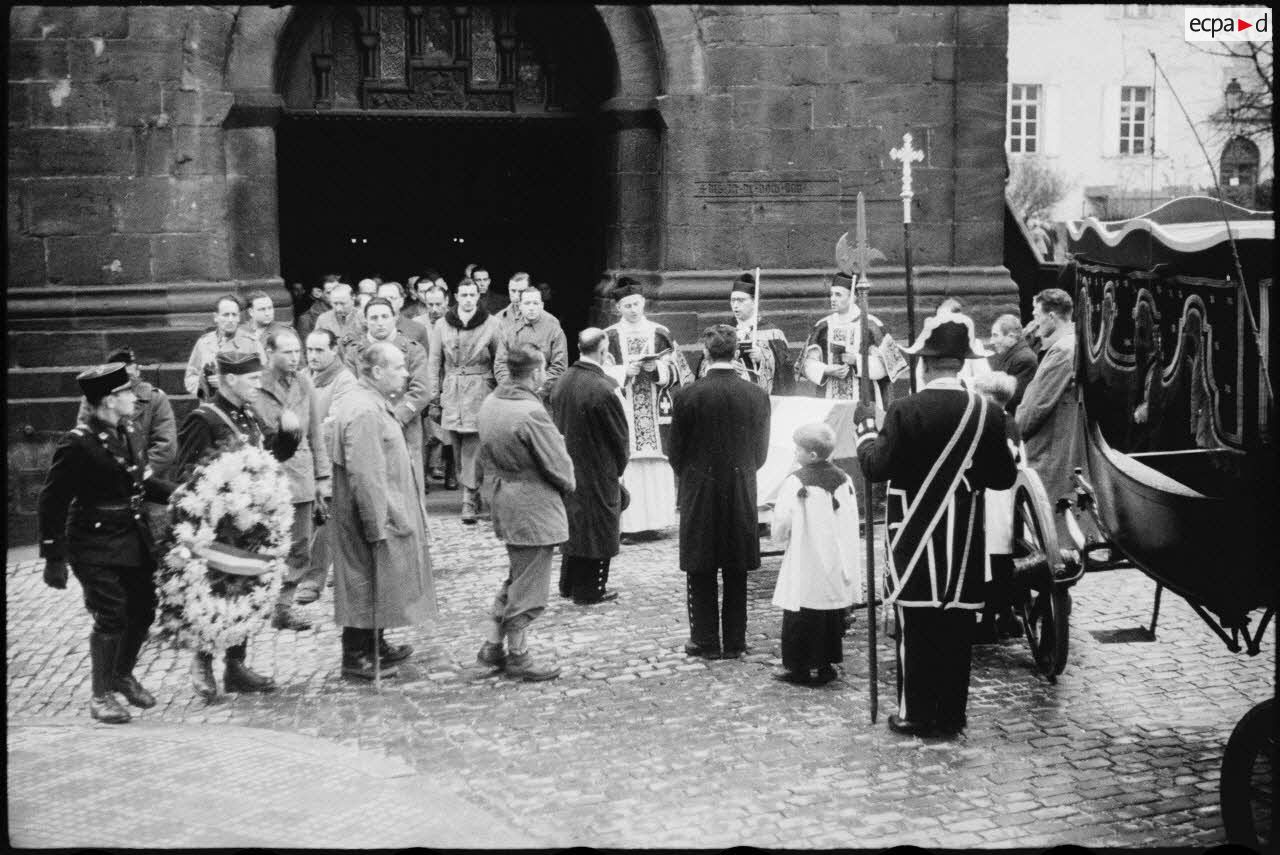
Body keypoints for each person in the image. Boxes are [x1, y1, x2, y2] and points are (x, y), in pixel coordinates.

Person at [855, 315, 1017, 736]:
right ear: (961, 366)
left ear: (925, 366)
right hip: (963, 539)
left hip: (913, 534)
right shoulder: (987, 412)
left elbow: (876, 467)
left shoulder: (903, 409)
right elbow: (1003, 478)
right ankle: (951, 715)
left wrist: (865, 431)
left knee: (917, 626)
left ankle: (916, 713)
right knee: (958, 628)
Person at [38, 363, 176, 723]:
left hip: (130, 534)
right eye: (128, 392)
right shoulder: (78, 443)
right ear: (109, 400)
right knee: (111, 612)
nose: (135, 397)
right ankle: (100, 696)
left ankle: (121, 673)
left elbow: (141, 479)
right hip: (93, 541)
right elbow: (51, 501)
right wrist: (54, 556)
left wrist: (182, 494)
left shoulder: (127, 430)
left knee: (144, 607)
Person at [174, 351, 302, 701]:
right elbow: (185, 475)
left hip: (249, 525)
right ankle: (202, 663)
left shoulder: (247, 414)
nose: (258, 385)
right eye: (252, 379)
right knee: (214, 594)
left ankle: (236, 666)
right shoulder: (203, 419)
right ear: (230, 380)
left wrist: (289, 437)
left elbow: (264, 460)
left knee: (244, 592)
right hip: (218, 529)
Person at [328, 342, 438, 680]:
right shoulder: (364, 410)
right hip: (371, 514)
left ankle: (376, 643)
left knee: (380, 579)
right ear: (377, 372)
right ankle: (357, 655)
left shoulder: (372, 402)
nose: (406, 374)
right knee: (363, 580)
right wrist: (376, 525)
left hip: (384, 508)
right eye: (399, 368)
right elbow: (366, 474)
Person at [669, 324, 772, 660]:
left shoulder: (687, 395)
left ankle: (705, 639)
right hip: (740, 486)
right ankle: (736, 639)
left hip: (700, 489)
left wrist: (693, 476)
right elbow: (761, 453)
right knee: (736, 566)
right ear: (736, 354)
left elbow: (676, 453)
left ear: (707, 353)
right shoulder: (756, 394)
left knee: (701, 566)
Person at [475, 343, 577, 681]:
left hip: (504, 497)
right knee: (530, 583)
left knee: (519, 574)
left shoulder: (491, 403)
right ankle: (519, 655)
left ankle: (492, 645)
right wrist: (568, 486)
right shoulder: (530, 412)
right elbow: (559, 465)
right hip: (533, 505)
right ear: (535, 372)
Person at [600, 277, 693, 538]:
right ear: (618, 308)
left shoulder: (660, 332)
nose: (633, 309)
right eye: (627, 305)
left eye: (636, 303)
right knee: (628, 463)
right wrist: (623, 371)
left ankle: (656, 522)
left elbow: (681, 371)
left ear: (644, 303)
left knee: (656, 464)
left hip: (655, 410)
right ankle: (629, 525)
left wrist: (658, 369)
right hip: (625, 407)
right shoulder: (609, 336)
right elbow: (601, 372)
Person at [252, 328, 331, 630]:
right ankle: (259, 602)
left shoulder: (304, 380)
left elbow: (315, 434)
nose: (296, 357)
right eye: (287, 352)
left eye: (298, 351)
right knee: (267, 543)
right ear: (269, 353)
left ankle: (283, 607)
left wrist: (322, 477)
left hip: (301, 475)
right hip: (269, 476)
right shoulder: (256, 386)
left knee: (300, 545)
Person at [769, 422, 860, 686]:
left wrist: (780, 536)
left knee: (800, 612)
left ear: (811, 455)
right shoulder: (845, 479)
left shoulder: (797, 481)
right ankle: (825, 664)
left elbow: (783, 519)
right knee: (828, 611)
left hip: (805, 554)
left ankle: (797, 667)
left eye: (798, 449)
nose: (795, 453)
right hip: (834, 555)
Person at [549, 328, 631, 605]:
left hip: (568, 465)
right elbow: (619, 437)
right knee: (598, 529)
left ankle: (568, 583)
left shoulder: (562, 381)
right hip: (598, 468)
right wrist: (618, 469)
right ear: (603, 351)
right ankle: (590, 589)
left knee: (575, 524)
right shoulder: (603, 388)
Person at [1016, 287, 1091, 548]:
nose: (1034, 321)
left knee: (1050, 515)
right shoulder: (1071, 343)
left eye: (1037, 315)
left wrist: (1016, 431)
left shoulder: (1062, 351)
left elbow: (1036, 406)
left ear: (1051, 316)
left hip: (1052, 445)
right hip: (1061, 440)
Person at [428, 278, 501, 523]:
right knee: (457, 447)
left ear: (478, 297)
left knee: (474, 444)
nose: (469, 299)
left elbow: (499, 361)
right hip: (452, 390)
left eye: (472, 295)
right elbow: (434, 363)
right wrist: (434, 397)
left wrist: (502, 395)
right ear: (456, 297)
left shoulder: (492, 324)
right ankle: (472, 489)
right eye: (464, 295)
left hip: (480, 389)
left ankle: (468, 498)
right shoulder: (442, 325)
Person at [340, 297, 430, 480]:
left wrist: (397, 416)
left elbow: (421, 390)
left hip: (405, 425)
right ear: (365, 320)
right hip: (367, 425)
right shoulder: (355, 351)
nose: (379, 322)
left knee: (408, 484)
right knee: (372, 481)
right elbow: (349, 389)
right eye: (373, 318)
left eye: (384, 316)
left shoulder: (412, 350)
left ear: (395, 317)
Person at [300, 327, 358, 604]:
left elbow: (333, 424)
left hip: (333, 459)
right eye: (309, 349)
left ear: (334, 350)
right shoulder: (301, 377)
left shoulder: (344, 380)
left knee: (325, 517)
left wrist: (301, 436)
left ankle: (313, 579)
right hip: (303, 459)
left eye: (319, 350)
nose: (313, 355)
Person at [971, 372, 1024, 643]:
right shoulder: (1010, 422)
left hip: (994, 497)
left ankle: (990, 618)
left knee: (990, 559)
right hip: (1009, 498)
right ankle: (1005, 614)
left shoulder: (994, 425)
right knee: (1000, 559)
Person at [797, 272, 900, 406]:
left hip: (865, 399)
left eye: (838, 295)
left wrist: (857, 361)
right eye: (831, 294)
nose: (832, 299)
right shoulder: (823, 326)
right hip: (828, 400)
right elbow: (806, 364)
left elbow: (888, 367)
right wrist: (826, 370)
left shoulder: (872, 326)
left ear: (853, 297)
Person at [707, 272, 794, 395]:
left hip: (760, 398)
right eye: (733, 300)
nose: (735, 305)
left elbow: (786, 371)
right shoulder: (721, 332)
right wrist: (725, 364)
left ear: (754, 301)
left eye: (741, 300)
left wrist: (763, 357)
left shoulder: (773, 333)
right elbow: (705, 365)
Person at [493, 286, 568, 399]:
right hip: (513, 395)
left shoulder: (555, 332)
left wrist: (539, 391)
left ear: (542, 305)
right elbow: (500, 364)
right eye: (527, 303)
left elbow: (559, 367)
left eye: (535, 303)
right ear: (520, 306)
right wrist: (511, 389)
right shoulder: (509, 332)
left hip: (543, 396)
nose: (531, 308)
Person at [183, 294, 259, 399]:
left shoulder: (251, 343)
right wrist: (204, 385)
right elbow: (191, 377)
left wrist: (226, 383)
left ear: (239, 318)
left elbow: (262, 379)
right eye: (226, 315)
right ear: (216, 317)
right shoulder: (204, 343)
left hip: (240, 405)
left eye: (234, 315)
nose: (231, 319)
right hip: (211, 406)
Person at [987, 313, 1038, 412]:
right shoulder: (1010, 354)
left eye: (995, 335)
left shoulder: (1025, 359)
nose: (991, 341)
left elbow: (1012, 399)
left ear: (1011, 337)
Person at [376, 280, 431, 354]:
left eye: (392, 298)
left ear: (401, 301)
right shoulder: (369, 328)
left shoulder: (418, 329)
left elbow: (424, 361)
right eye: (383, 298)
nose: (387, 302)